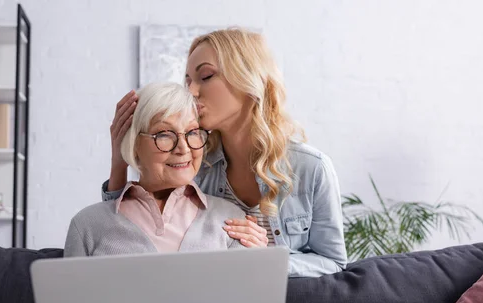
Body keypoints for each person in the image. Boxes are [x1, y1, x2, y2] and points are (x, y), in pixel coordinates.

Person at [29, 82, 300, 303]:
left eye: (193, 132)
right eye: (164, 134)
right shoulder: (89, 225)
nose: (184, 148)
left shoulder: (233, 220)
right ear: (134, 143)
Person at [104, 28, 347, 279]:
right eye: (187, 81)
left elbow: (334, 262)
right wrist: (118, 163)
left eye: (205, 76)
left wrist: (270, 261)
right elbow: (126, 232)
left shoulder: (312, 168)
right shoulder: (195, 163)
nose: (192, 91)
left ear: (247, 79)